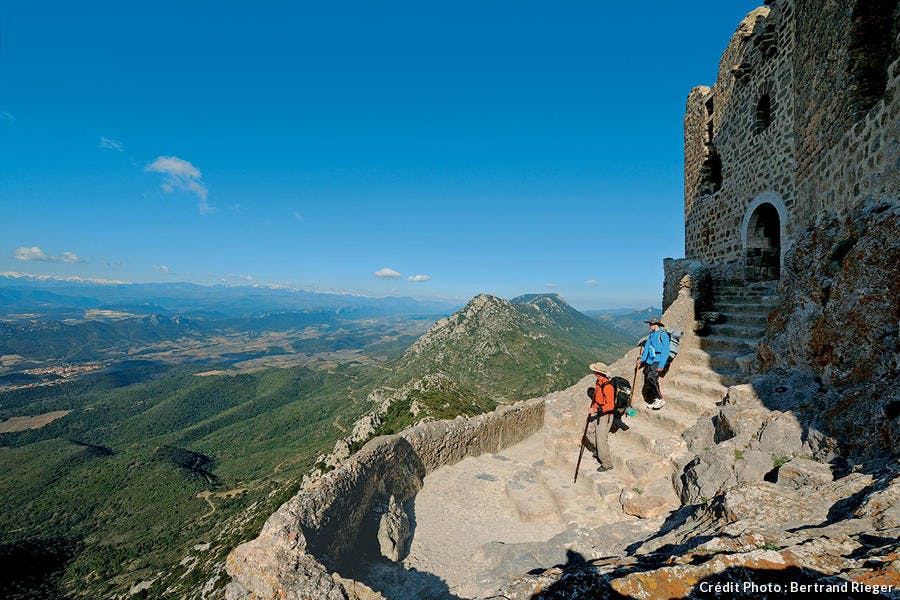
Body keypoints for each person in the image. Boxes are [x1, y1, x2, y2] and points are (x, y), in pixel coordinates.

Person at [587, 362, 616, 472]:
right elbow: (597, 398)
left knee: (601, 440)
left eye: (595, 370)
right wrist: (594, 408)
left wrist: (596, 410)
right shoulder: (598, 382)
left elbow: (610, 405)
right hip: (598, 413)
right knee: (589, 432)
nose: (593, 372)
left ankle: (607, 463)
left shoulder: (608, 386)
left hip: (605, 416)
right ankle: (598, 449)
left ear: (598, 372)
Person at [637, 318, 670, 410]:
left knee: (651, 377)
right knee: (649, 378)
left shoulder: (663, 335)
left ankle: (660, 399)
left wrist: (661, 365)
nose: (649, 325)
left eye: (650, 324)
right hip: (650, 360)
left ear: (656, 324)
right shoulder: (651, 335)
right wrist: (642, 360)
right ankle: (655, 399)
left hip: (658, 359)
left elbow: (665, 351)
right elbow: (647, 348)